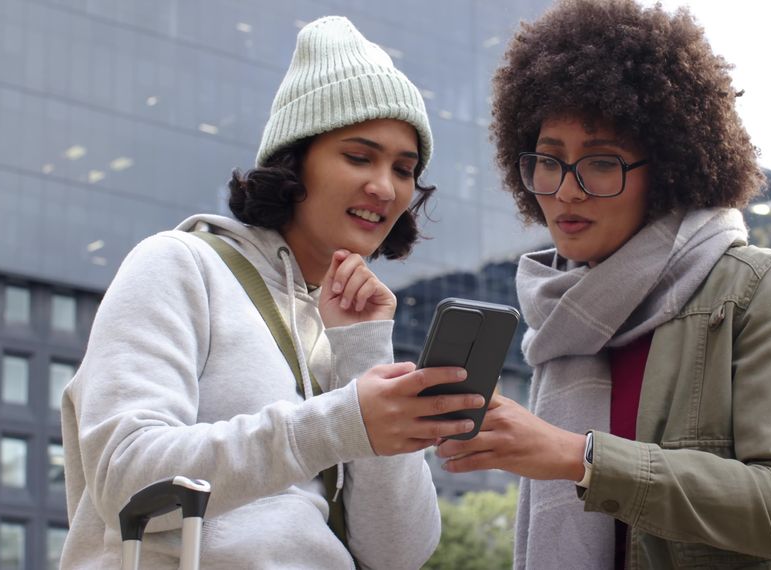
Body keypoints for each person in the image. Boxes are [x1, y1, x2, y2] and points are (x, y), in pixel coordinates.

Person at [436, 1, 771, 568]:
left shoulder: (761, 286)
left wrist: (577, 457)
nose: (566, 191)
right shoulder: (563, 318)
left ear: (669, 168)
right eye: (548, 161)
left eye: (601, 162)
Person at [61, 16, 483, 569]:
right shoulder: (179, 264)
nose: (384, 186)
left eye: (404, 169)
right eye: (359, 156)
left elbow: (398, 552)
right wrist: (337, 423)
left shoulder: (342, 327)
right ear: (294, 160)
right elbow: (127, 479)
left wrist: (364, 351)